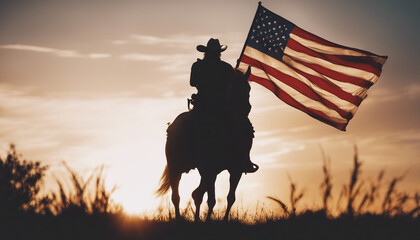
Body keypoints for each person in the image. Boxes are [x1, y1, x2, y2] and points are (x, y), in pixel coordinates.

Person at [190, 38, 258, 174]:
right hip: (220, 107)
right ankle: (244, 159)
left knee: (244, 127)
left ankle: (243, 158)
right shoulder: (225, 68)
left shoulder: (198, 66)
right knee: (242, 126)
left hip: (203, 105)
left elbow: (192, 83)